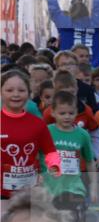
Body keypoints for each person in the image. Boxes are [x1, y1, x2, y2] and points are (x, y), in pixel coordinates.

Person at [45, 90, 98, 222]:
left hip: (75, 188)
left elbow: (90, 162)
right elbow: (37, 155)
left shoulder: (82, 135)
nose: (67, 117)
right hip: (51, 190)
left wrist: (93, 187)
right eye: (62, 113)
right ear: (53, 113)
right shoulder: (48, 132)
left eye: (70, 113)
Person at [0, 71, 60, 201]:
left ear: (29, 94)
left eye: (21, 90)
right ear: (1, 93)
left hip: (29, 190)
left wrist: (54, 166)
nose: (16, 94)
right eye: (9, 90)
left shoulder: (38, 124)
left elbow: (50, 151)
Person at [44, 0, 99, 66]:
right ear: (87, 12)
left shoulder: (65, 24)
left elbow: (53, 8)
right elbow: (98, 6)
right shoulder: (95, 24)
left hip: (69, 71)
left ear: (71, 13)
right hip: (93, 71)